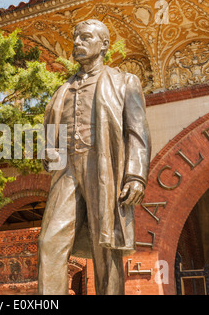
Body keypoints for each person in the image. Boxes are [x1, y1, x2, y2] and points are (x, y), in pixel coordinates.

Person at [38, 19, 151, 295]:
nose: (77, 43)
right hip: (66, 170)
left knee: (106, 247)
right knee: (49, 242)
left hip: (103, 167)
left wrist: (136, 175)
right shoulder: (61, 90)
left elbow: (137, 132)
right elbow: (50, 132)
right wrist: (48, 151)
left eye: (85, 38)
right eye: (75, 38)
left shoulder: (124, 82)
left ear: (104, 45)